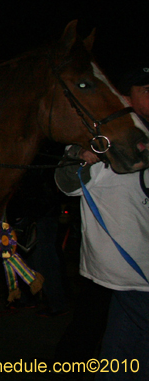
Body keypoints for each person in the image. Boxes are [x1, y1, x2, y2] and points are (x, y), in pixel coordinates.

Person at [53, 64, 149, 379]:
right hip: (115, 270)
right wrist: (81, 156)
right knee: (92, 332)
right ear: (124, 95)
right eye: (145, 90)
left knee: (118, 346)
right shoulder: (102, 135)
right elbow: (65, 181)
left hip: (138, 270)